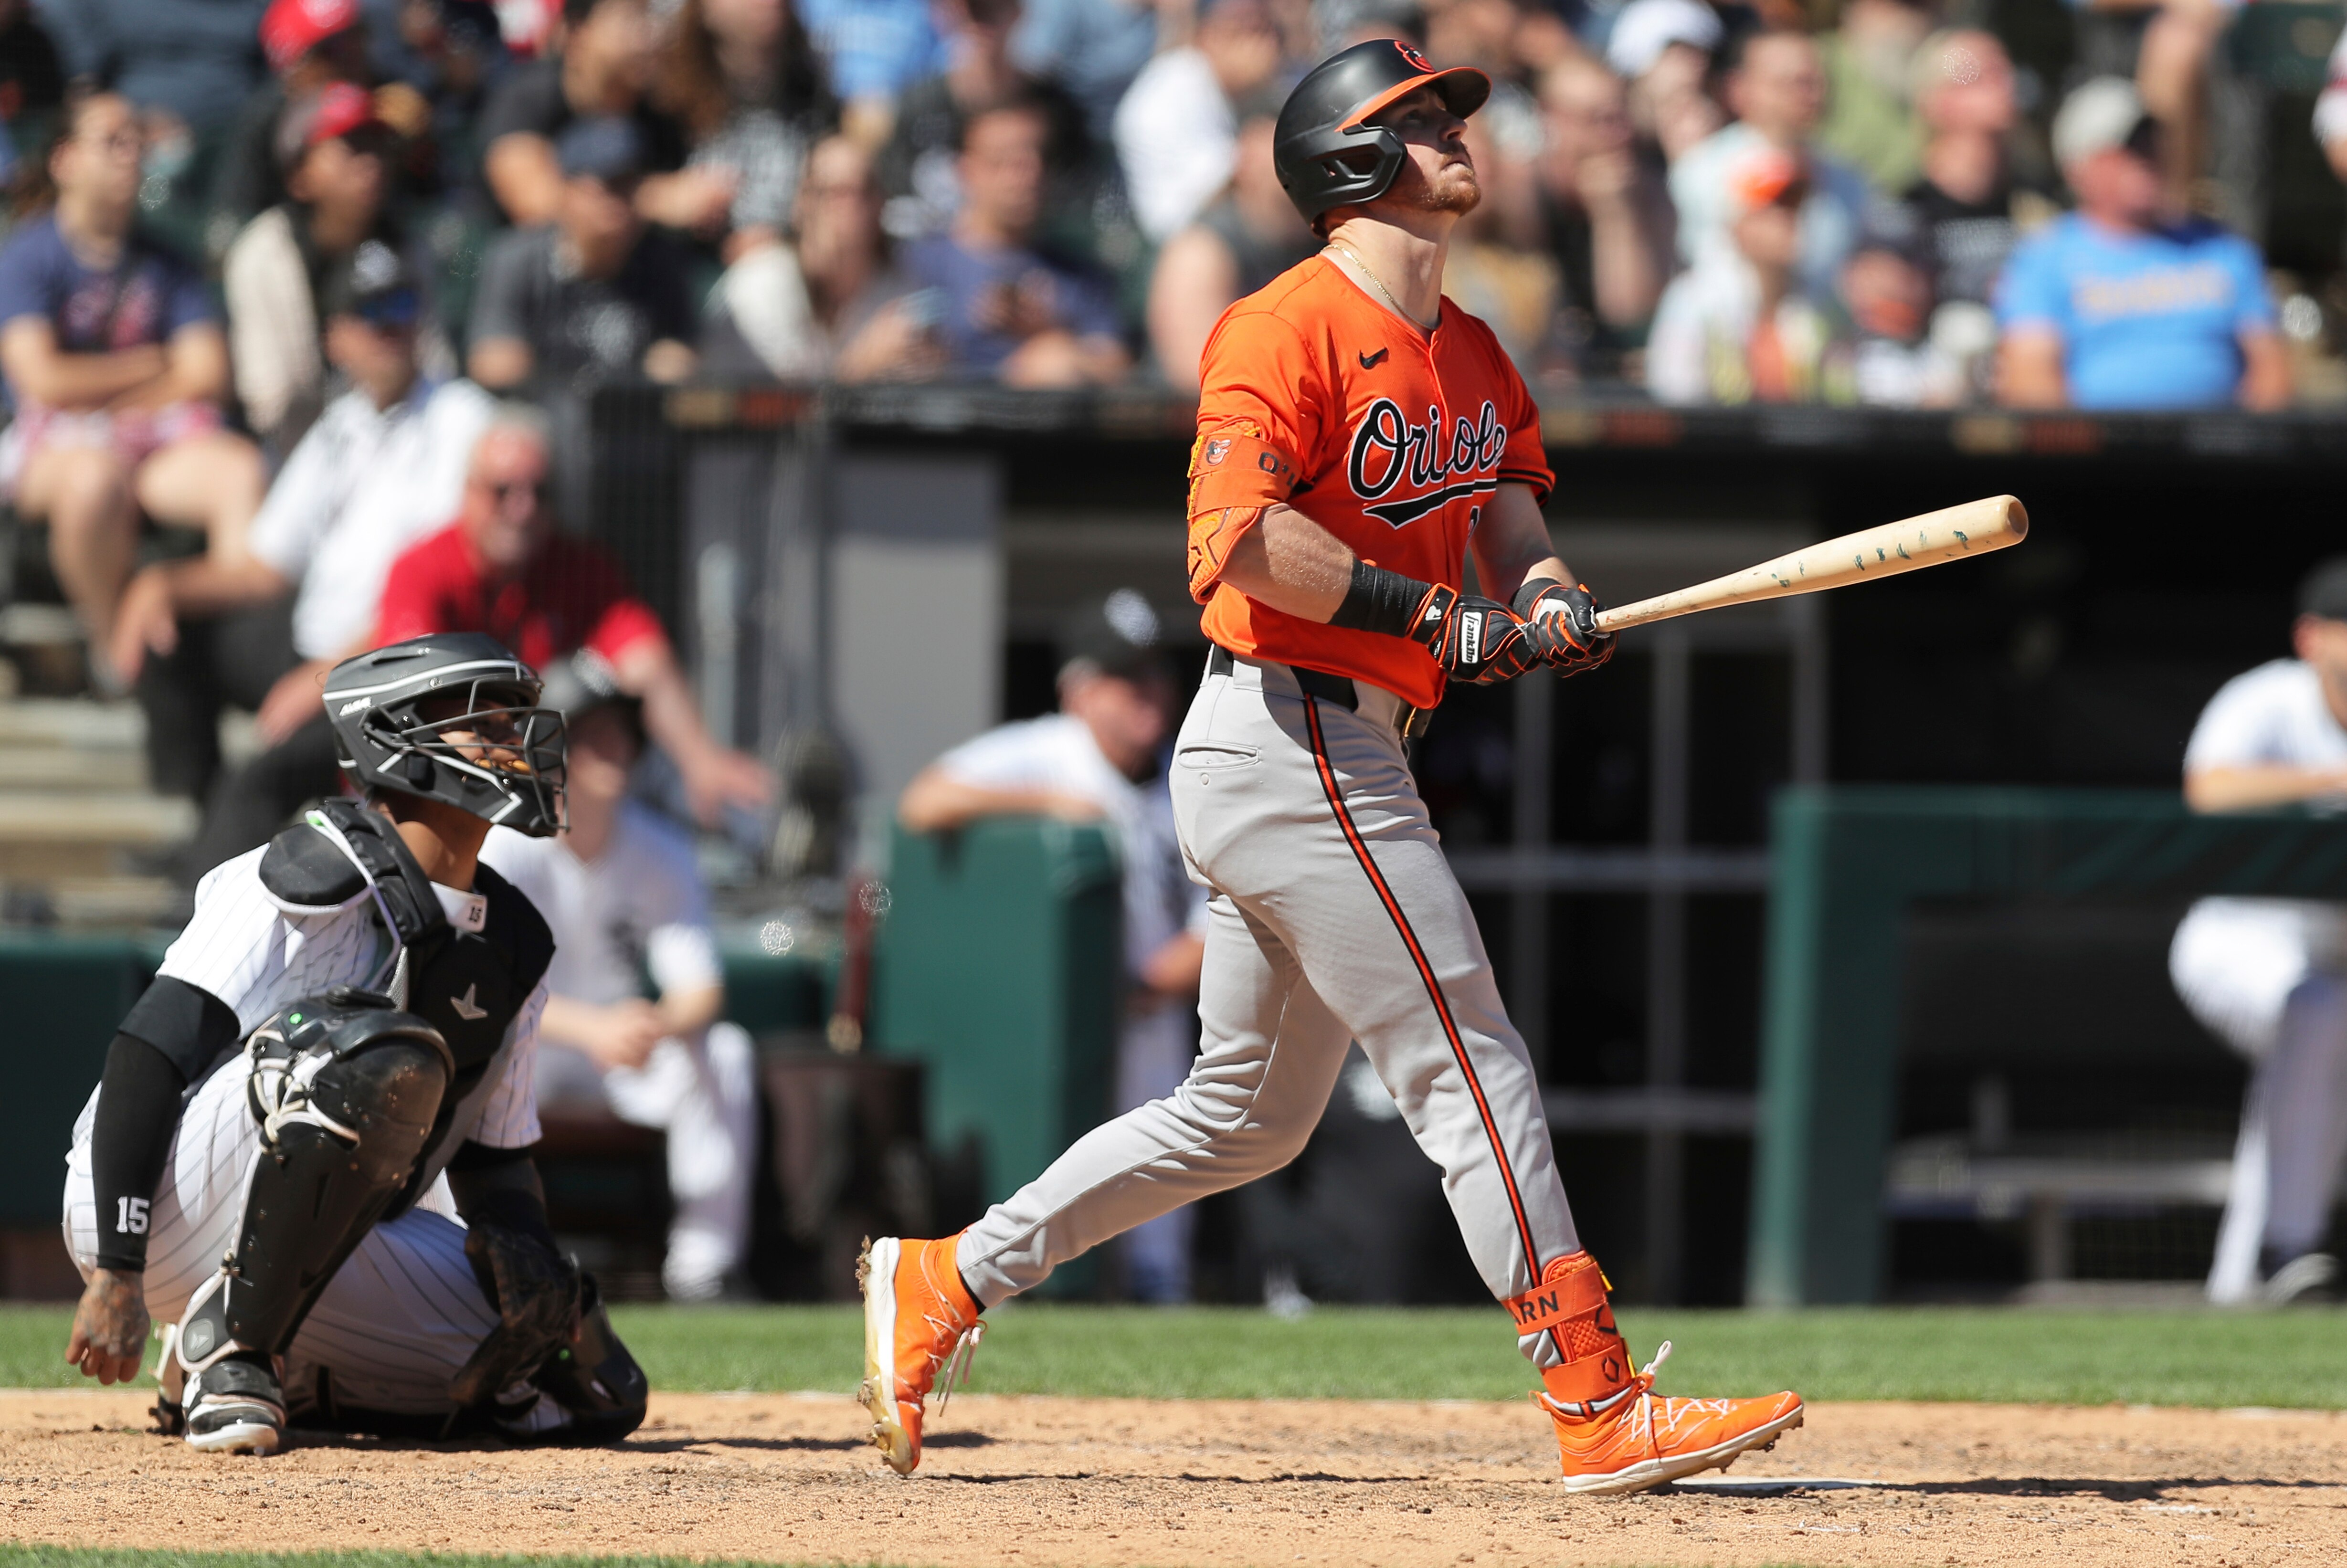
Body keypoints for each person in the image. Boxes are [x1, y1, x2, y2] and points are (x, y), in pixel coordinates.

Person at [856, 38, 1803, 1493]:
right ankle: (1594, 1394)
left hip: (1344, 742)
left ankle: (948, 1277)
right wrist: (1436, 616)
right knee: (1466, 1053)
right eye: (1420, 122)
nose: (1456, 139)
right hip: (1286, 729)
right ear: (1350, 163)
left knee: (1241, 1119)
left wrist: (1543, 598)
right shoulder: (1279, 325)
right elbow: (1237, 540)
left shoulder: (1476, 350)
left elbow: (1512, 532)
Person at [60, 631, 649, 1454]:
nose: (515, 742)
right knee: (372, 1055)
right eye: (485, 722)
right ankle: (232, 1350)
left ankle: (294, 1375)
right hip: (154, 1201)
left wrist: (529, 1258)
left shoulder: (512, 940)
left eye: (517, 720)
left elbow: (491, 1160)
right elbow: (149, 1052)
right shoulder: (308, 872)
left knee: (574, 1387)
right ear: (396, 740)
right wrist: (117, 1268)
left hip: (324, 1234)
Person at [138, 247, 495, 869]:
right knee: (170, 632)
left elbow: (443, 589)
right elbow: (266, 565)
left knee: (264, 777)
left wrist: (325, 678)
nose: (390, 327)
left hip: (395, 668)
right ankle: (198, 819)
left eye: (402, 306)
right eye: (370, 312)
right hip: (310, 647)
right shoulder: (341, 422)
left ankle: (190, 909)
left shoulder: (462, 418)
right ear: (337, 337)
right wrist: (160, 586)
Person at [898, 592, 1209, 1303]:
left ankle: (1160, 1305)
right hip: (1053, 1022)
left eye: (1155, 674)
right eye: (1126, 677)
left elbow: (1226, 907)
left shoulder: (1190, 769)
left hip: (1151, 1012)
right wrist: (1045, 804)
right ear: (1081, 690)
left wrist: (1167, 976)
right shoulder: (1048, 751)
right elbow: (923, 802)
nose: (1147, 693)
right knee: (1062, 1176)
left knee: (1165, 1212)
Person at [481, 656, 760, 1303]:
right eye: (589, 733)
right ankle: (463, 1249)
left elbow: (700, 988)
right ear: (551, 747)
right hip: (534, 1048)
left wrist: (649, 1024)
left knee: (723, 1051)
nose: (612, 748)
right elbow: (485, 986)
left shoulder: (662, 848)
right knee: (475, 1046)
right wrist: (593, 1028)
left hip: (619, 1053)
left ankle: (703, 1268)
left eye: (619, 732)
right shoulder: (505, 843)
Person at [373, 410, 773, 827]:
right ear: (469, 492)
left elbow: (644, 660)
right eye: (503, 491)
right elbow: (413, 697)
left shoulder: (579, 567)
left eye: (540, 492)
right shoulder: (422, 569)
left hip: (549, 798)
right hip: (437, 789)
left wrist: (700, 759)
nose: (522, 509)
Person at [0, 90, 267, 692]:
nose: (131, 155)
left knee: (240, 472)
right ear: (65, 159)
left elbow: (208, 374)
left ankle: (228, 652)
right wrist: (149, 364)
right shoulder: (27, 256)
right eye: (112, 141)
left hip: (154, 441)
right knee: (94, 480)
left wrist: (97, 391)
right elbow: (41, 381)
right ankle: (115, 651)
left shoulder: (167, 261)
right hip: (54, 452)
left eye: (137, 143)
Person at [2171, 558, 2347, 1305]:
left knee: (2317, 1045)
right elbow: (2210, 788)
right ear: (2313, 637)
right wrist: (2334, 780)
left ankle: (2248, 1285)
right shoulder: (2268, 697)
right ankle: (2286, 1249)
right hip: (2240, 939)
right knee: (2317, 1012)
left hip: (2333, 947)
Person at [1995, 77, 2288, 411]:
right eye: (2129, 146)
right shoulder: (2044, 259)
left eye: (2152, 143)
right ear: (2078, 165)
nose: (2146, 158)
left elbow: (2271, 373)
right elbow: (2031, 382)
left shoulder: (2225, 250)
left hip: (2216, 450)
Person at [222, 82, 402, 453]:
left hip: (399, 449)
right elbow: (271, 405)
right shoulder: (263, 254)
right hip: (295, 457)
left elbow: (434, 370)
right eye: (351, 148)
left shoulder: (403, 246)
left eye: (376, 146)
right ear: (299, 177)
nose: (370, 163)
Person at [468, 116, 700, 398]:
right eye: (609, 188)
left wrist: (669, 364)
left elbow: (679, 359)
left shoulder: (661, 261)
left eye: (631, 187)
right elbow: (494, 364)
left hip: (630, 425)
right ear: (568, 192)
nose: (621, 204)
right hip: (541, 425)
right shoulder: (518, 259)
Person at [904, 96, 1127, 385]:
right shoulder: (916, 265)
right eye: (1004, 161)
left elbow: (1118, 371)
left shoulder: (1080, 276)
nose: (1027, 175)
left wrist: (1050, 336)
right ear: (965, 170)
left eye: (1038, 158)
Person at [706, 132, 941, 380]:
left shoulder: (898, 291)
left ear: (880, 202)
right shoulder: (760, 284)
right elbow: (783, 407)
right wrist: (861, 365)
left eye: (864, 190)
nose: (850, 207)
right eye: (834, 193)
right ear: (802, 203)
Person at [477, 0, 719, 232]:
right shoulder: (526, 97)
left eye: (652, 17)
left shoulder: (660, 109)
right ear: (577, 32)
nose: (650, 34)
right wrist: (653, 199)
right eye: (631, 18)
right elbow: (536, 207)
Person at [1668, 29, 1871, 297]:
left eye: (1814, 82)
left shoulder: (1848, 178)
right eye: (1790, 82)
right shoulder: (1700, 172)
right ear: (1739, 89)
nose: (1809, 95)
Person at [1648, 147, 1854, 405]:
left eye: (1795, 206)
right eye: (1771, 208)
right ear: (1737, 225)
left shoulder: (1827, 306)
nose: (1788, 219)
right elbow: (1674, 396)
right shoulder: (1693, 299)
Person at [875, 0, 1086, 242]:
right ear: (946, 14)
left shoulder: (1056, 110)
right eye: (973, 11)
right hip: (937, 265)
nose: (983, 22)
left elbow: (1077, 200)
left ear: (1019, 12)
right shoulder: (919, 108)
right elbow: (893, 195)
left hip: (1033, 261)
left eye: (995, 8)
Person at [1145, 99, 1315, 391]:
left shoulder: (1328, 238)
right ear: (1244, 155)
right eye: (1285, 140)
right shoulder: (1202, 250)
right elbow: (1200, 376)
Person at [651, 0, 837, 257]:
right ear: (705, 9)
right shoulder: (666, 96)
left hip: (787, 263)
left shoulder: (815, 88)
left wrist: (784, 239)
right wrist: (659, 196)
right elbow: (617, 192)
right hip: (691, 270)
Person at [1533, 54, 1673, 378]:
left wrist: (1615, 215)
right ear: (1551, 119)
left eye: (1620, 116)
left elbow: (1629, 317)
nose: (1618, 135)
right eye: (1597, 119)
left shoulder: (1649, 189)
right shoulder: (1524, 191)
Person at [1113, 0, 1283, 245]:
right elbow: (1193, 204)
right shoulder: (1173, 88)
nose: (1266, 47)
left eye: (1271, 32)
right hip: (1166, 249)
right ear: (1208, 36)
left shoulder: (1251, 90)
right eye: (1251, 33)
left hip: (1217, 235)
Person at [210, 0, 381, 244]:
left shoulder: (389, 100)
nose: (354, 55)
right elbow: (230, 222)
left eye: (358, 36)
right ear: (293, 68)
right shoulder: (265, 121)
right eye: (334, 49)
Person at [1813, 0, 1932, 195]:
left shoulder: (1937, 64)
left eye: (1919, 6)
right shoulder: (1819, 60)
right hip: (1848, 204)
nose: (1907, 18)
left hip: (1926, 207)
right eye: (1897, 5)